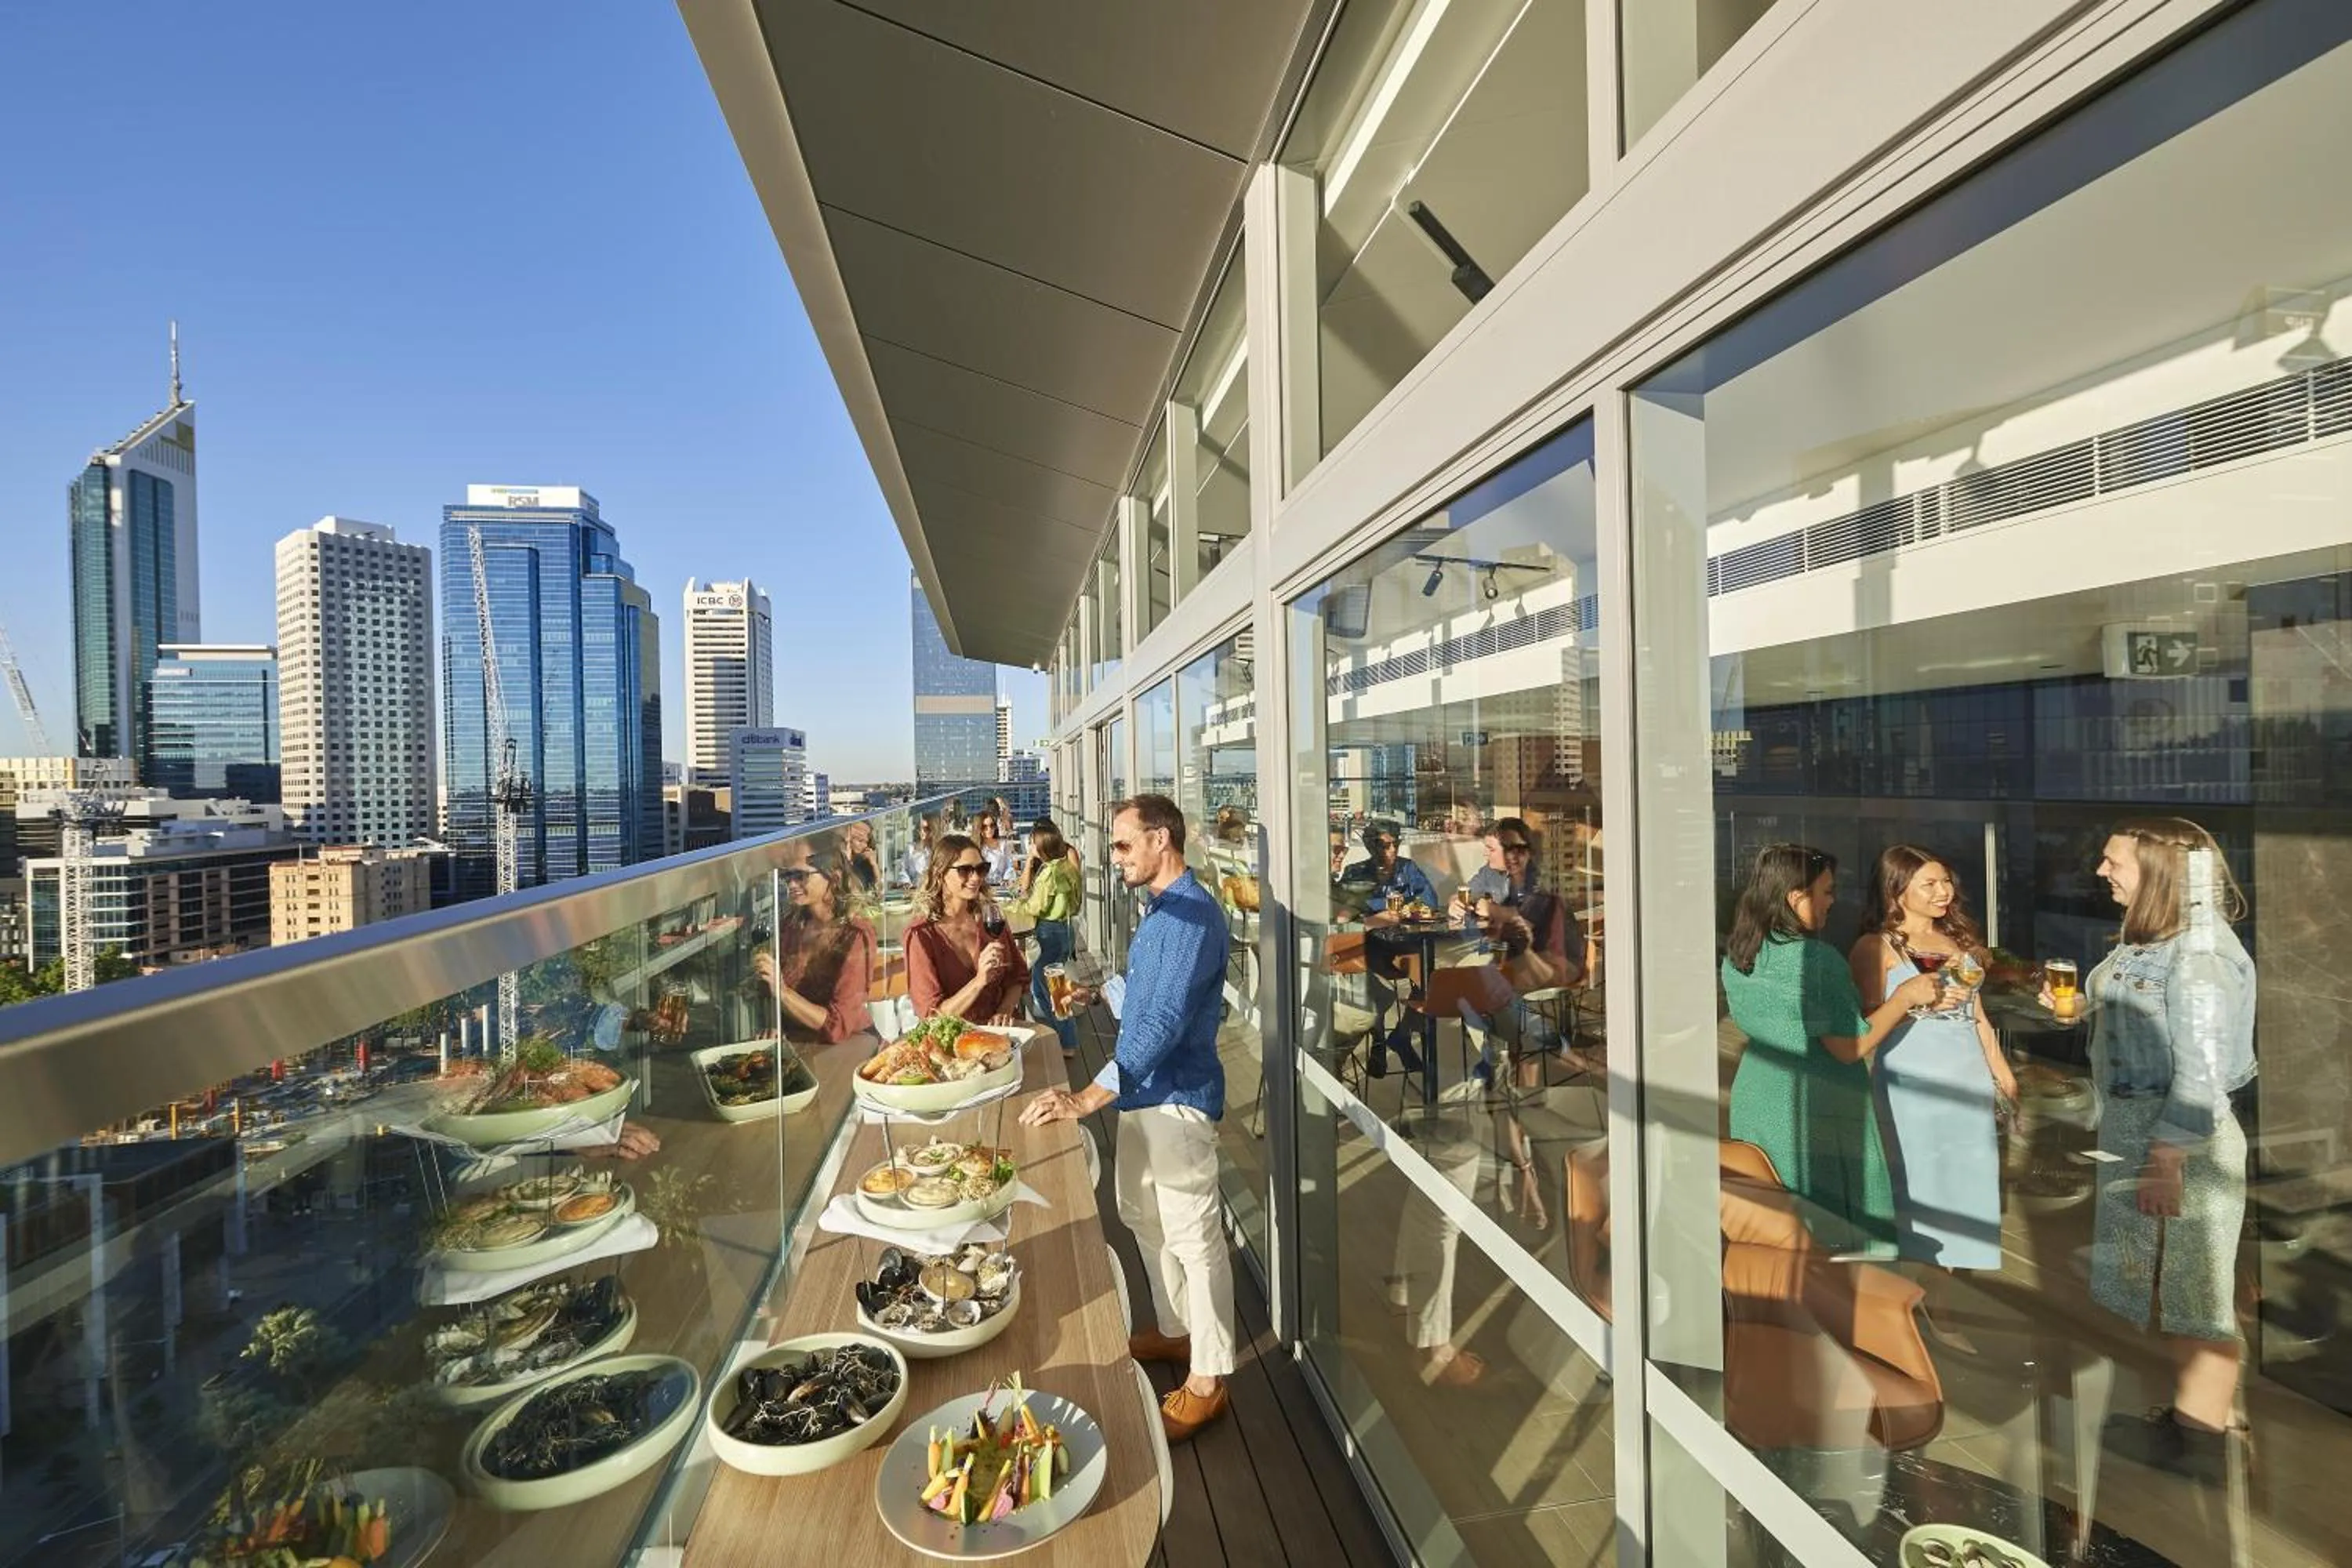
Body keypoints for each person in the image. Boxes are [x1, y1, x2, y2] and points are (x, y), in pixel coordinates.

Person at [1021, 793, 1234, 1442]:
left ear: (1161, 840)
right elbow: (1149, 993)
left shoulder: (1191, 918)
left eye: (1121, 845)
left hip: (1176, 1097)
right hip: (1147, 1096)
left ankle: (1210, 1378)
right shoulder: (1163, 911)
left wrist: (1087, 1097)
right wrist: (1102, 993)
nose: (1112, 858)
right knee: (1142, 1213)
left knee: (1195, 1235)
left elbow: (1165, 1022)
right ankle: (1175, 1333)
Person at [2053, 819, 2255, 1483]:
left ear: (2159, 872)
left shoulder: (2199, 958)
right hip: (2146, 1134)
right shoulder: (2159, 940)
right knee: (2181, 1294)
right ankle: (2200, 1416)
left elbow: (2201, 1077)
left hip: (2177, 1143)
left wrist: (2166, 1161)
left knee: (2194, 1298)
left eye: (2114, 863)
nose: (2101, 872)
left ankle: (2202, 1443)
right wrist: (2079, 1011)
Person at [1721, 844, 1947, 1258]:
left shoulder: (1742, 954)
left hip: (1759, 1097)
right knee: (1831, 1226)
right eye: (1825, 891)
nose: (1832, 900)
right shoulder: (1816, 961)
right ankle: (1852, 1307)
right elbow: (1849, 1047)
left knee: (1776, 1221)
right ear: (1796, 898)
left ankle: (1782, 1300)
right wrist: (1906, 998)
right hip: (1816, 1106)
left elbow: (1801, 1019)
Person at [1851, 847, 2014, 1346]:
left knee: (1967, 1191)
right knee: (1920, 1193)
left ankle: (1942, 1307)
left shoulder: (1956, 940)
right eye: (1929, 884)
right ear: (1895, 890)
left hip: (1965, 1079)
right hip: (1912, 1084)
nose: (1944, 892)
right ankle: (1908, 1310)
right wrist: (1909, 999)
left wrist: (2004, 1080)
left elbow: (1979, 1019)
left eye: (1945, 882)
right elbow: (1865, 1025)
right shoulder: (1874, 948)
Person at [750, 851, 877, 1044]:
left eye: (801, 876)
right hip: (800, 1045)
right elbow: (770, 994)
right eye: (787, 876)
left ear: (834, 877)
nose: (792, 884)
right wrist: (775, 1025)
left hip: (851, 1047)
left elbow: (838, 1026)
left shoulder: (855, 935)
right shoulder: (791, 925)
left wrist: (783, 992)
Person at [906, 833, 1028, 1023]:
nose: (976, 878)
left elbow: (1017, 978)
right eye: (965, 870)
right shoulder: (922, 935)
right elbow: (932, 1017)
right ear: (940, 873)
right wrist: (979, 982)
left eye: (981, 869)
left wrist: (1004, 1010)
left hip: (1002, 1034)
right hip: (955, 1043)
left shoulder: (990, 917)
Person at [1011, 818, 1083, 1057]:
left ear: (1040, 846)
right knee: (1042, 988)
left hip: (1049, 933)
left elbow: (1036, 907)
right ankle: (1058, 1036)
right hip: (1065, 929)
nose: (1029, 847)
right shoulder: (1066, 867)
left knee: (1053, 989)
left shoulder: (1048, 874)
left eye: (1032, 843)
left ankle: (1068, 1041)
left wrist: (1014, 907)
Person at [1342, 821, 1440, 923]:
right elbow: (1346, 909)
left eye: (1396, 844)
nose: (1393, 849)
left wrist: (1398, 904)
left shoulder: (1408, 868)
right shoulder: (1356, 871)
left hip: (1405, 933)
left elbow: (1431, 901)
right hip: (1369, 934)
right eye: (1386, 845)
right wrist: (1388, 904)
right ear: (1372, 847)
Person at [840, 818, 884, 897]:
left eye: (866, 842)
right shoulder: (840, 862)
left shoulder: (863, 863)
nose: (864, 845)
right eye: (860, 840)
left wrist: (874, 865)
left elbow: (879, 892)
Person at [977, 813, 1018, 885]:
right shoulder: (976, 847)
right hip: (982, 886)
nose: (989, 829)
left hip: (1001, 885)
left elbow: (1009, 865)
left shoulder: (1003, 845)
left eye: (992, 826)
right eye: (984, 827)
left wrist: (1007, 880)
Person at [901, 814, 938, 887]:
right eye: (919, 828)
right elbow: (903, 869)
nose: (922, 831)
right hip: (914, 889)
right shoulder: (910, 848)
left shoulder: (936, 849)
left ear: (932, 830)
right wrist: (906, 882)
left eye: (926, 829)